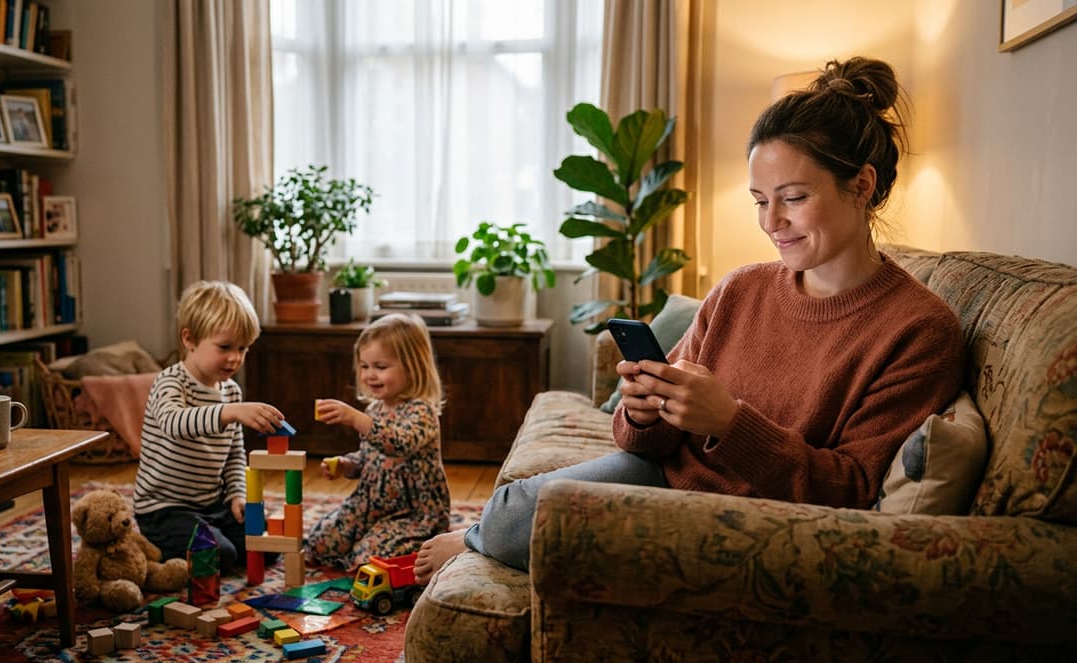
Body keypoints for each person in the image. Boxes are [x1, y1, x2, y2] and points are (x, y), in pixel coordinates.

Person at [414, 56, 965, 583]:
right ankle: (482, 538)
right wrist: (645, 412)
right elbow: (646, 446)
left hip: (758, 526)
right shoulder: (740, 289)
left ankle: (476, 542)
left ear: (862, 185)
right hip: (666, 480)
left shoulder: (919, 330)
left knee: (513, 523)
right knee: (512, 506)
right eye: (759, 200)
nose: (772, 222)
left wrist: (729, 423)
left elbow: (853, 490)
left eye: (793, 197)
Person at [134, 280, 286, 571]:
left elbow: (234, 455)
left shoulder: (231, 392)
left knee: (265, 546)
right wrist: (228, 412)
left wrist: (237, 495)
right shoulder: (171, 382)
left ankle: (213, 530)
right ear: (189, 340)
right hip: (164, 509)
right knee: (220, 556)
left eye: (243, 348)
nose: (235, 358)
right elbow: (173, 423)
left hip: (212, 505)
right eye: (225, 347)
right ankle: (154, 548)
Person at [306, 312, 451, 571]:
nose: (370, 375)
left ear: (412, 366)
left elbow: (398, 444)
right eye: (364, 366)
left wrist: (355, 418)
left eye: (380, 367)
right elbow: (368, 458)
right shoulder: (375, 409)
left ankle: (430, 544)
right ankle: (368, 535)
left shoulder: (422, 412)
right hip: (370, 504)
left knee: (370, 560)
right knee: (319, 543)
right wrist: (346, 465)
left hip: (413, 513)